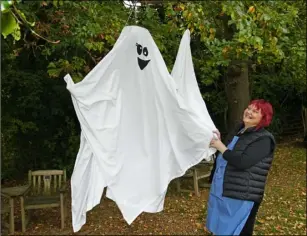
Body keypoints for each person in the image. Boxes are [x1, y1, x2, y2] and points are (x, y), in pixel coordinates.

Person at [205, 99, 276, 236]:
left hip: (242, 194)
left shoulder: (264, 139)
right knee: (219, 228)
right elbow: (227, 153)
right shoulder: (239, 130)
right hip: (223, 189)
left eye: (255, 111)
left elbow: (242, 162)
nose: (249, 112)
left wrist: (220, 146)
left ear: (264, 117)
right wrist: (219, 142)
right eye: (248, 108)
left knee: (239, 231)